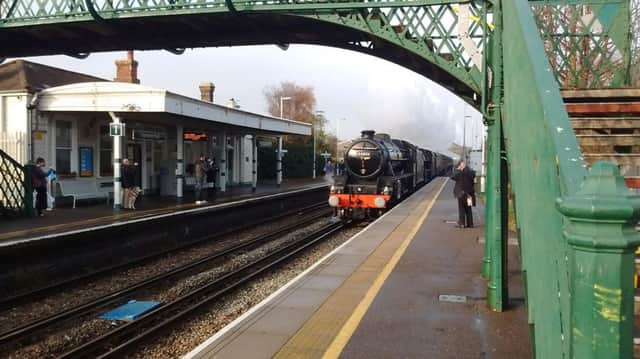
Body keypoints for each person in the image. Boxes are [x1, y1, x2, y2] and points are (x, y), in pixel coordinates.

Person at [451, 160, 475, 228]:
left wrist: (458, 170)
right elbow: (473, 176)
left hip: (461, 193)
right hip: (469, 194)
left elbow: (452, 177)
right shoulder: (470, 172)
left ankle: (462, 224)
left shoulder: (459, 173)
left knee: (461, 209)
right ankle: (470, 224)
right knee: (469, 209)